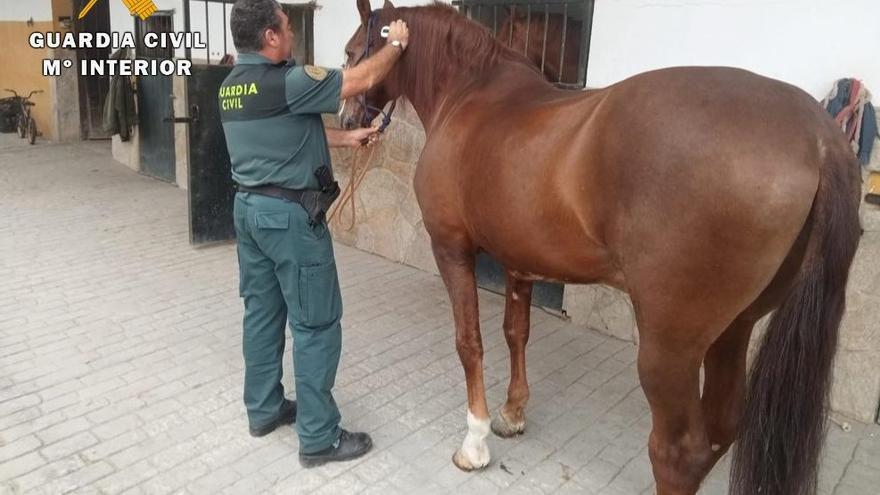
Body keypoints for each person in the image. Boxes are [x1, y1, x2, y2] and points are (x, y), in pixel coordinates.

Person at [220, 0, 409, 467]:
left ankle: (263, 410)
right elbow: (361, 80)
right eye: (286, 27)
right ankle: (320, 438)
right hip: (290, 220)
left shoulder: (230, 87)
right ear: (269, 37)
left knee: (262, 314)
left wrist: (347, 139)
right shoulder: (289, 79)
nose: (291, 34)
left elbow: (286, 131)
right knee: (316, 324)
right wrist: (397, 43)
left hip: (249, 211)